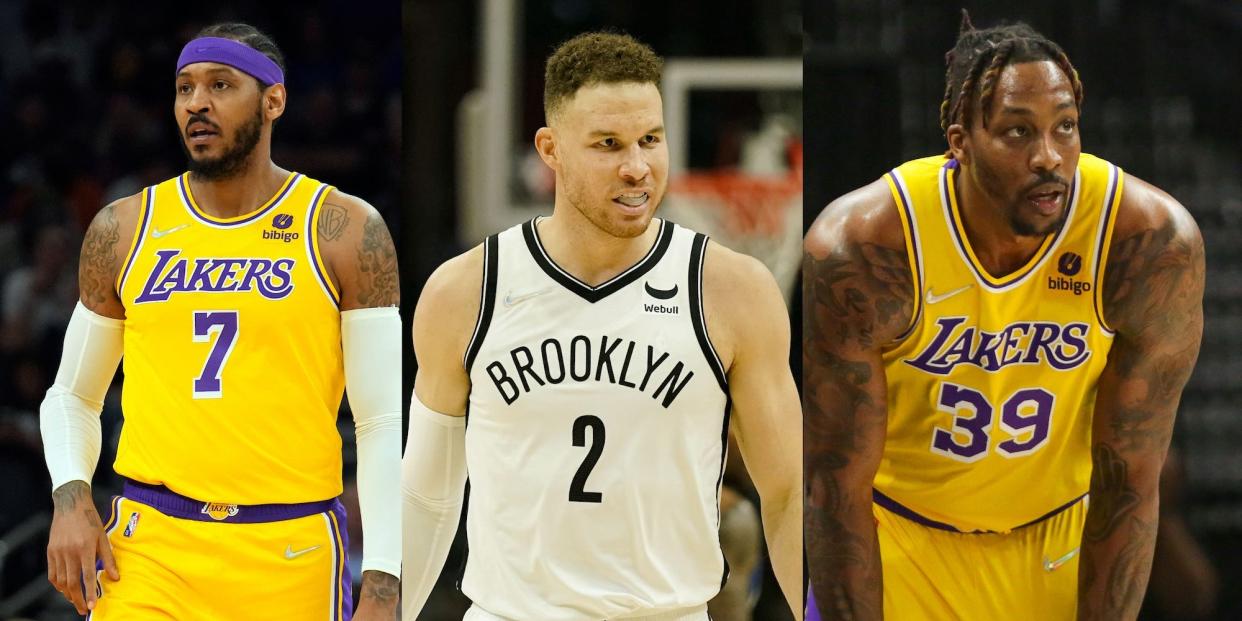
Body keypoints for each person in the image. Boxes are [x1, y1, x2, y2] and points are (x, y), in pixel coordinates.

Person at [803, 13, 1204, 621]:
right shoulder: (866, 247)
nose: (1050, 157)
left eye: (1065, 127)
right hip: (898, 541)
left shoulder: (1145, 240)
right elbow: (835, 489)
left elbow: (1129, 484)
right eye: (1018, 132)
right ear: (960, 141)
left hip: (1059, 541)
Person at [400, 32, 802, 620]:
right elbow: (427, 496)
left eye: (651, 140)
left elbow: (788, 493)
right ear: (550, 148)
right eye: (608, 144)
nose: (637, 167)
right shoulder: (465, 290)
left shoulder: (734, 291)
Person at [39, 23, 402, 620]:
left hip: (289, 546)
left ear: (273, 100)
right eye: (184, 88)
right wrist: (72, 494)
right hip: (151, 547)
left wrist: (383, 586)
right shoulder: (124, 227)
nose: (197, 103)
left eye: (221, 84)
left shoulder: (345, 229)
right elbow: (71, 396)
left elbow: (382, 421)